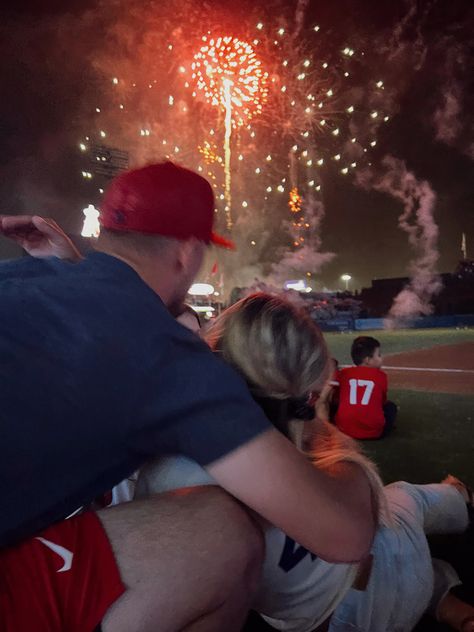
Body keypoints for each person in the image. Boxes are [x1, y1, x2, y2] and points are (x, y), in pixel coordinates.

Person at [0, 162, 374, 631]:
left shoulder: (26, 277)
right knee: (223, 536)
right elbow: (344, 537)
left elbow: (100, 321)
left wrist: (74, 268)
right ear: (187, 252)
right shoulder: (169, 359)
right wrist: (345, 457)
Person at [133, 293, 474, 632]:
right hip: (391, 571)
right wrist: (316, 416)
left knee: (395, 545)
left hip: (335, 623)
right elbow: (357, 523)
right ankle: (460, 497)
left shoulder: (159, 471)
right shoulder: (295, 444)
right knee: (406, 498)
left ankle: (444, 601)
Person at [334, 335, 397, 439]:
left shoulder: (344, 373)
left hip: (344, 430)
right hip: (374, 433)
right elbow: (381, 402)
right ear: (368, 360)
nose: (381, 358)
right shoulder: (381, 376)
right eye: (379, 355)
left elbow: (336, 398)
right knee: (391, 407)